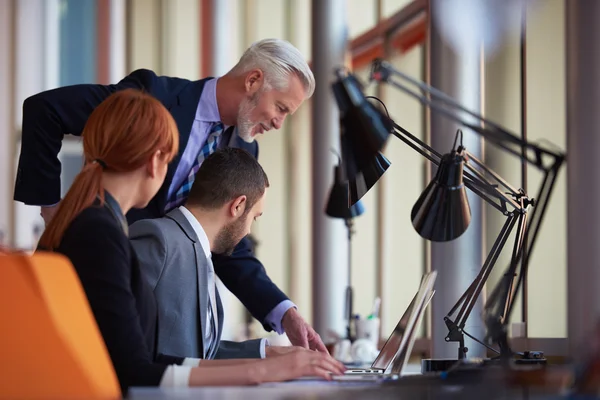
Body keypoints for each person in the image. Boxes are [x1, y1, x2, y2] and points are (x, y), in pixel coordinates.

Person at [14, 38, 322, 351]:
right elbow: (45, 110)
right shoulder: (153, 99)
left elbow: (229, 241)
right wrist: (51, 210)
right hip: (81, 280)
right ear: (254, 80)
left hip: (152, 321)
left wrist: (283, 312)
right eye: (281, 108)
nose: (278, 123)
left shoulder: (244, 151)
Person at [36, 89, 345, 393]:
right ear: (157, 161)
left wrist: (266, 359)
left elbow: (146, 359)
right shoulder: (100, 233)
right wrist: (262, 370)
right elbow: (133, 371)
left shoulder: (97, 225)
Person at [130, 148, 298, 360]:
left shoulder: (201, 254)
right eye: (254, 217)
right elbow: (122, 343)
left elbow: (199, 354)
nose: (248, 232)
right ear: (238, 205)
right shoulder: (159, 240)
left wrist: (268, 354)